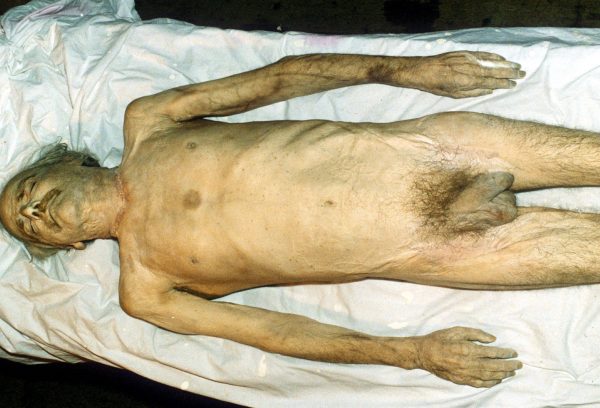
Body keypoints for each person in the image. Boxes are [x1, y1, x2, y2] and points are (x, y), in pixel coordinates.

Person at [5, 50, 592, 388]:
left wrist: (408, 71)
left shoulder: (149, 122)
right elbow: (275, 333)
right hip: (440, 252)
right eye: (29, 226)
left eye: (28, 191)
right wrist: (413, 353)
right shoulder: (145, 289)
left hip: (438, 149)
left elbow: (275, 80)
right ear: (71, 247)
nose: (33, 211)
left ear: (69, 161)